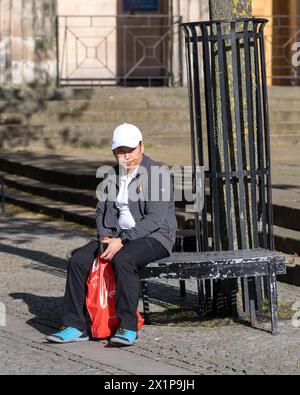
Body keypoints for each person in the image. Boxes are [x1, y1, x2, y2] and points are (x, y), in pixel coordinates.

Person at [47, 123, 177, 346]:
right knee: (78, 261)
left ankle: (127, 327)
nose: (127, 156)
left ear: (142, 147)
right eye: (120, 151)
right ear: (114, 153)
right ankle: (75, 325)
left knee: (124, 259)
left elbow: (156, 219)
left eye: (131, 150)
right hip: (115, 235)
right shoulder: (111, 175)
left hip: (155, 237)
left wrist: (123, 240)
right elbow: (101, 210)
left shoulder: (157, 174)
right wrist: (105, 236)